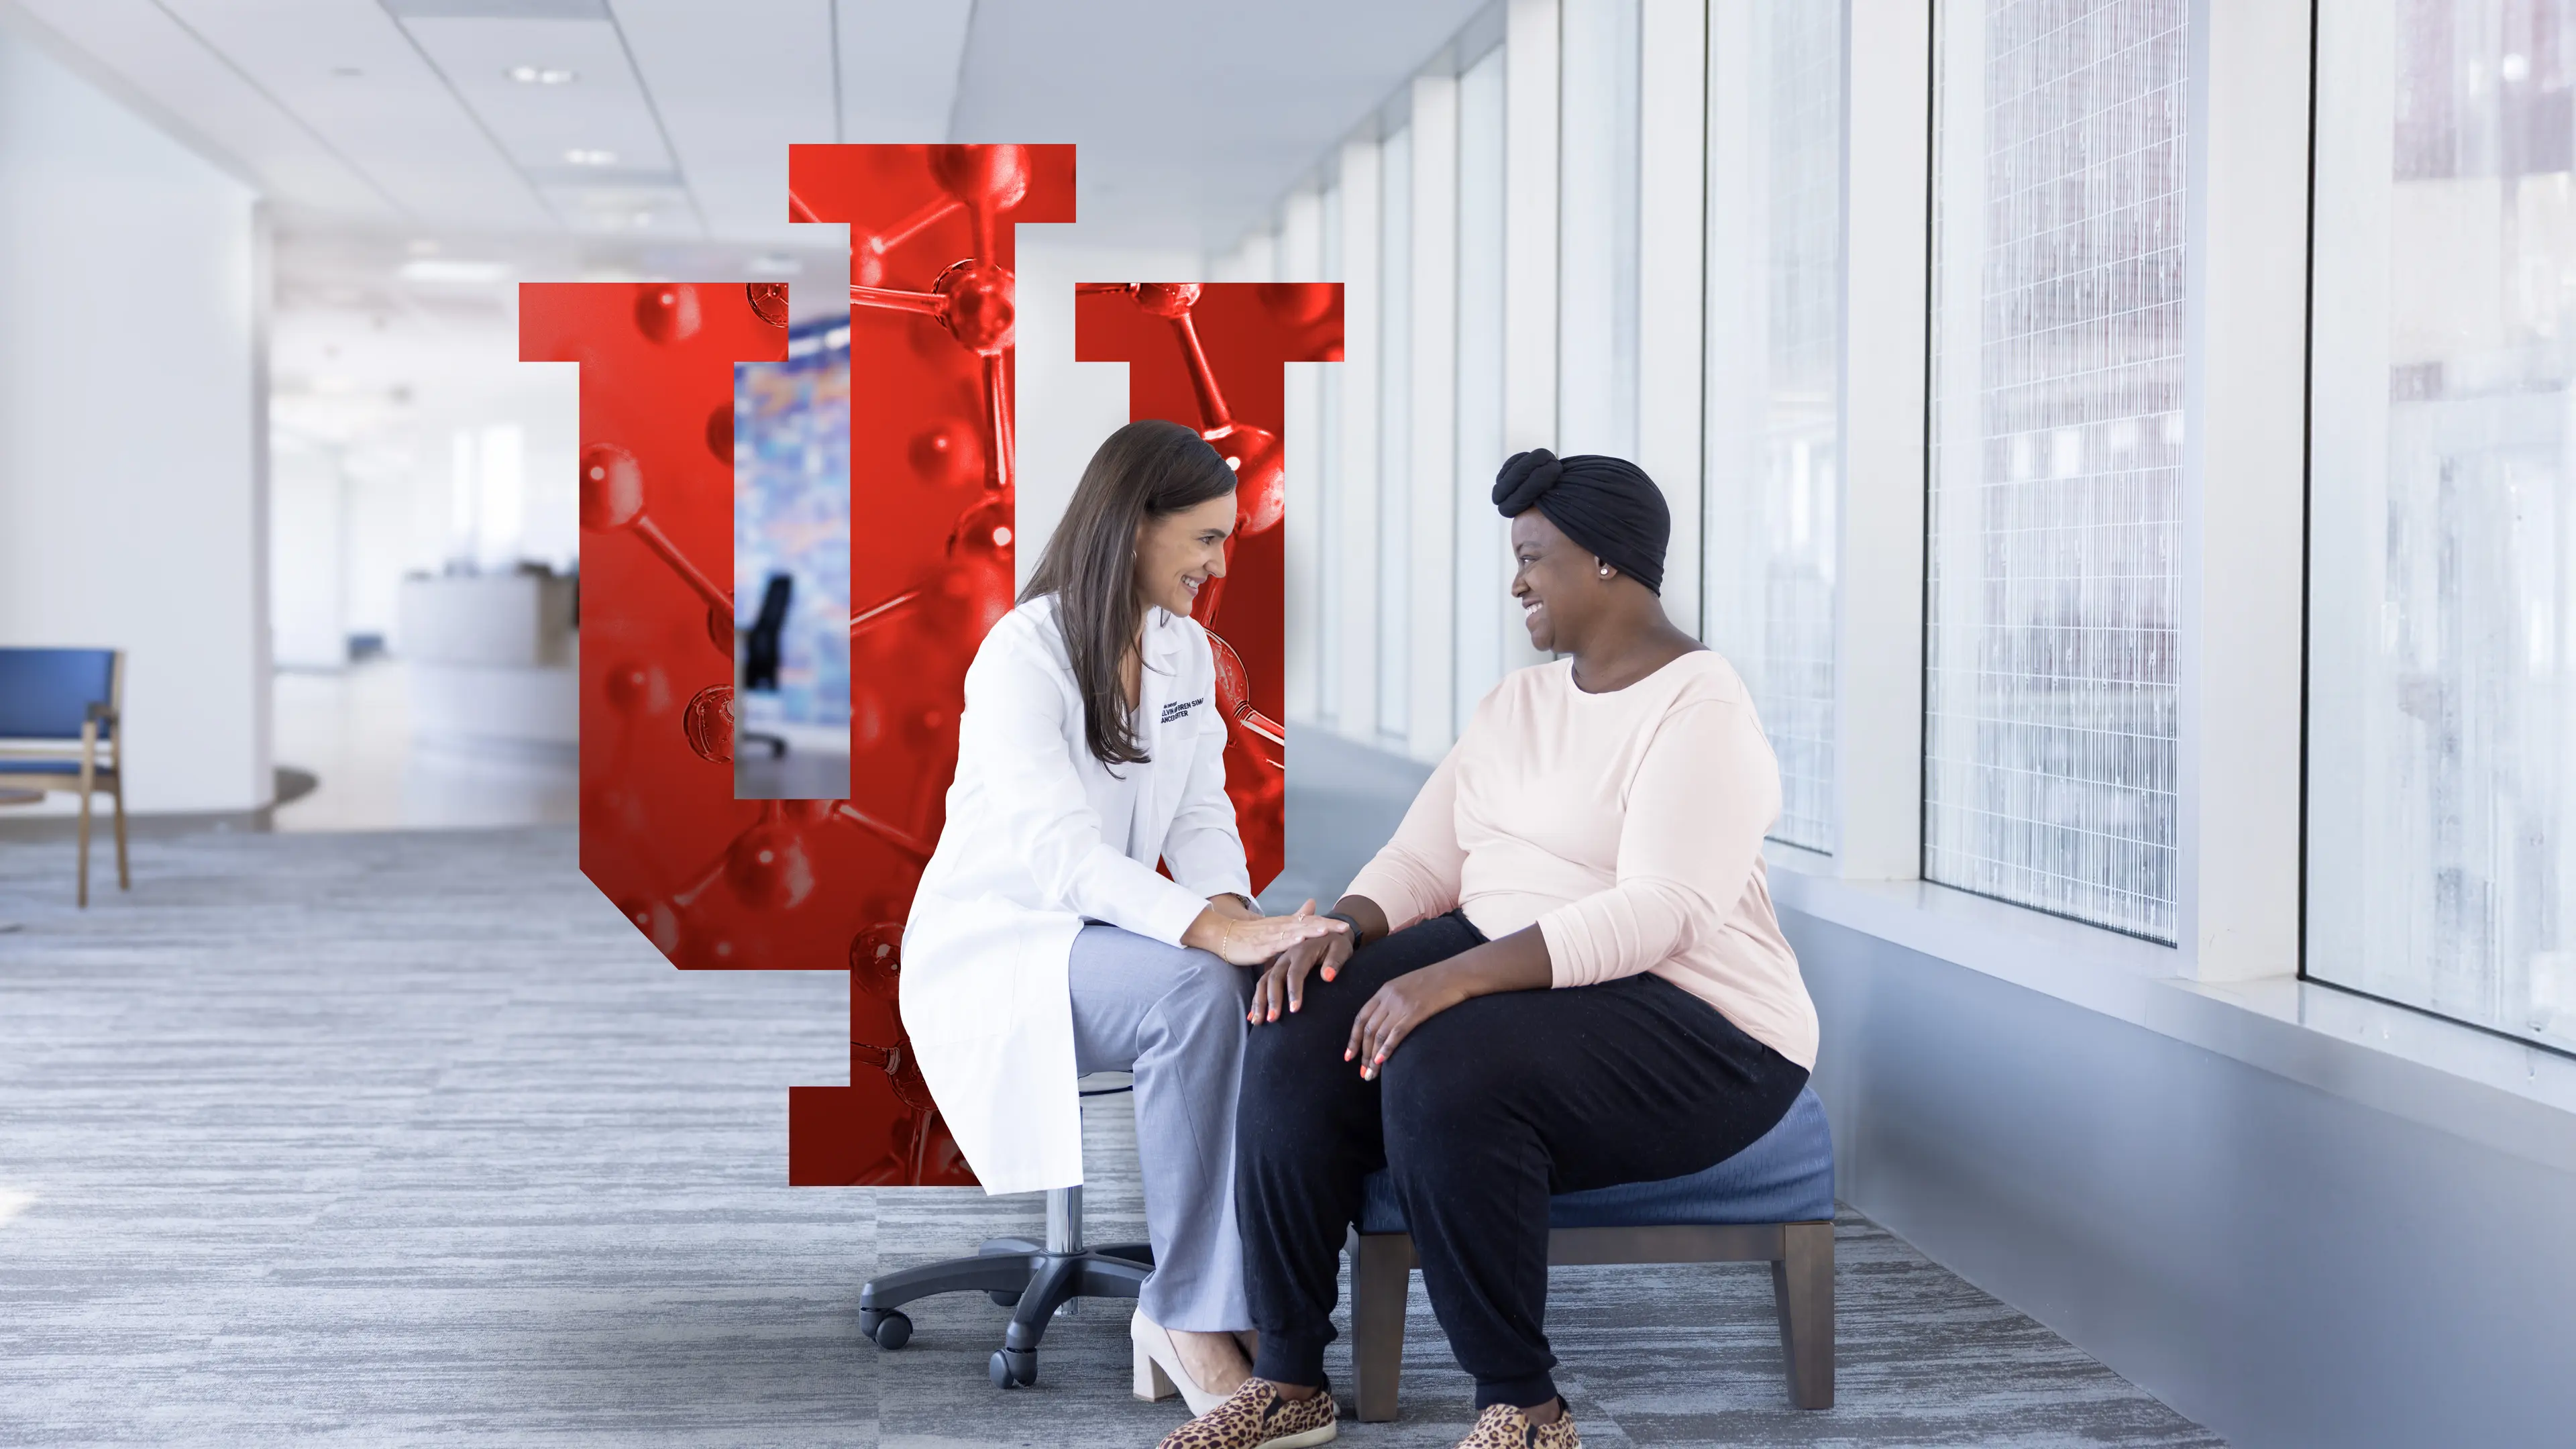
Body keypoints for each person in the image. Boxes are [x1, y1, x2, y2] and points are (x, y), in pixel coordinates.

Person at [1162, 449, 1819, 1449]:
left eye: (1534, 558)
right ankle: (1291, 1380)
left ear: (1606, 563)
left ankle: (1525, 1409)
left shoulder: (1702, 706)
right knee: (1295, 1012)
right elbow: (1423, 858)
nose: (1516, 582)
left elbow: (1664, 910)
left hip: (1698, 1018)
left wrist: (1450, 979)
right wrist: (1340, 927)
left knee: (1446, 1061)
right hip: (1520, 968)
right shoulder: (1516, 706)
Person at [900, 419, 1344, 1416]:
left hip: (1099, 940)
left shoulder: (1184, 651)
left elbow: (1201, 816)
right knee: (1197, 983)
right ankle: (1186, 1314)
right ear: (1135, 525)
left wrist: (1245, 926)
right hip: (999, 947)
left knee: (1247, 982)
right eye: (1205, 539)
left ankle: (1240, 1300)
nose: (1220, 563)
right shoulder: (1023, 654)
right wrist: (1214, 937)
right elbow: (1060, 858)